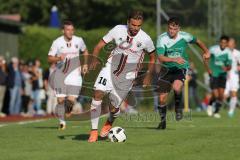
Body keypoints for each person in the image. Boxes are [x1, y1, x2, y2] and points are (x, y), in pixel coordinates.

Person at [88, 10, 155, 142]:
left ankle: (109, 122)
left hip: (127, 77)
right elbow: (99, 45)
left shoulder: (146, 39)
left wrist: (148, 76)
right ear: (128, 22)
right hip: (109, 68)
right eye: (133, 25)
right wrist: (94, 58)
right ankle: (94, 131)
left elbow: (153, 57)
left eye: (138, 26)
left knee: (113, 108)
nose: (136, 28)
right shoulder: (118, 29)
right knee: (97, 93)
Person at [156, 17, 210, 129]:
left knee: (176, 87)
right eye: (170, 28)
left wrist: (206, 51)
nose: (172, 31)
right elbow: (160, 57)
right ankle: (163, 121)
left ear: (178, 29)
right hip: (166, 69)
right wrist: (174, 59)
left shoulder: (185, 36)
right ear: (167, 28)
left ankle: (178, 107)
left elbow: (198, 41)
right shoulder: (162, 38)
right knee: (161, 99)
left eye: (174, 29)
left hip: (180, 68)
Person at [47, 20, 88, 130]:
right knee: (60, 100)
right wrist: (58, 58)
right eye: (68, 30)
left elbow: (85, 51)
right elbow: (49, 58)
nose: (70, 32)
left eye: (72, 30)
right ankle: (62, 123)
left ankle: (68, 111)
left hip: (75, 76)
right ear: (63, 31)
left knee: (70, 101)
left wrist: (85, 64)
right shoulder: (57, 42)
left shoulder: (79, 40)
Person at [207, 35, 232, 118]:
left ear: (227, 43)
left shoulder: (228, 52)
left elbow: (229, 66)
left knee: (221, 95)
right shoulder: (213, 49)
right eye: (221, 42)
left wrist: (226, 68)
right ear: (219, 42)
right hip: (214, 74)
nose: (223, 44)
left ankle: (216, 112)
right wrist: (208, 69)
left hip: (222, 75)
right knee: (215, 94)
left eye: (225, 43)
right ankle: (210, 105)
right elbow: (205, 58)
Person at [224, 38, 240, 117]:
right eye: (229, 43)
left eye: (232, 43)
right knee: (224, 94)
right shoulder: (224, 52)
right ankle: (214, 108)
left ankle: (231, 111)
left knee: (233, 93)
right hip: (224, 75)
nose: (230, 44)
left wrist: (239, 67)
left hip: (234, 75)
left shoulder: (237, 53)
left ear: (234, 44)